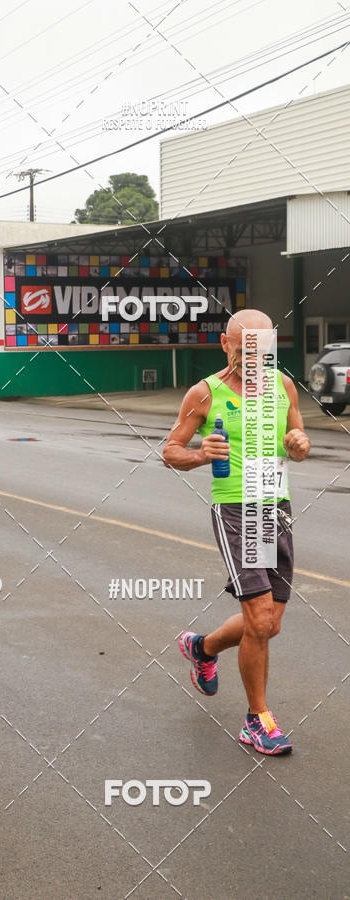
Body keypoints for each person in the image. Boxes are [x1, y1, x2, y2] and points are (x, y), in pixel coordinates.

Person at [163, 309, 310, 755]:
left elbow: (297, 436)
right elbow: (170, 450)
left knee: (268, 624)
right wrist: (200, 455)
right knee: (259, 619)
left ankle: (203, 648)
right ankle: (256, 720)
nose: (251, 357)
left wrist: (299, 444)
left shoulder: (283, 386)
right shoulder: (205, 394)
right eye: (243, 348)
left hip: (275, 508)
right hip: (236, 510)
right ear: (225, 345)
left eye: (260, 349)